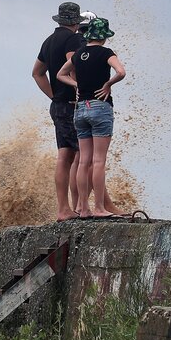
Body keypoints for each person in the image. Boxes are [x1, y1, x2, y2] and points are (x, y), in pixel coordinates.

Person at [57, 17, 126, 219]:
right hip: (99, 107)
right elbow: (121, 72)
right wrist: (108, 84)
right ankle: (98, 208)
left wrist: (76, 85)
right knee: (98, 161)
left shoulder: (79, 54)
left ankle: (83, 209)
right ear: (104, 37)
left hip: (80, 110)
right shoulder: (106, 53)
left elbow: (61, 74)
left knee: (83, 161)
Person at [32, 2, 84, 221]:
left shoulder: (49, 41)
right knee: (81, 155)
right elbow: (73, 64)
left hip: (58, 105)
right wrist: (80, 89)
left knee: (65, 155)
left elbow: (37, 73)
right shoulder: (73, 39)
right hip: (73, 103)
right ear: (76, 22)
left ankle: (64, 208)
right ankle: (79, 207)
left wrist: (54, 96)